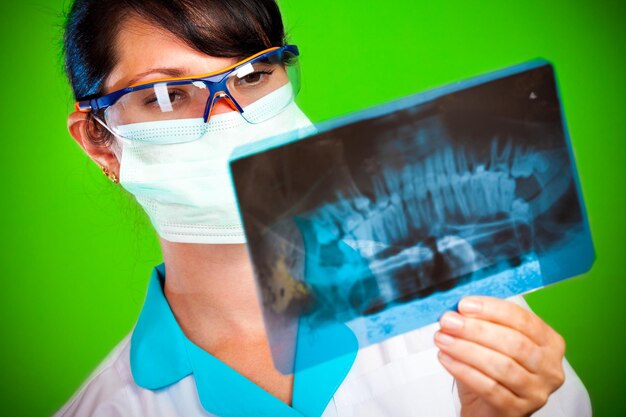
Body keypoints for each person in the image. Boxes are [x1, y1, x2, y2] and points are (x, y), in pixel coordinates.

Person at [55, 0, 592, 416]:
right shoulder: (105, 407)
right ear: (100, 141)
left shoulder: (455, 302)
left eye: (253, 75)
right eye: (167, 95)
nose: (226, 117)